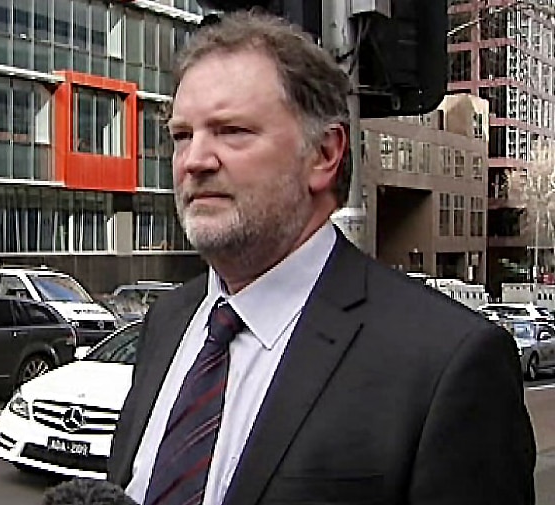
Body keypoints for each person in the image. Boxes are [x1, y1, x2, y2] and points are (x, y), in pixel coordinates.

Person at [107, 10, 536, 505]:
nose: (195, 161)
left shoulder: (447, 362)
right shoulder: (168, 322)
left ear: (324, 154)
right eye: (182, 136)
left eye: (232, 131)